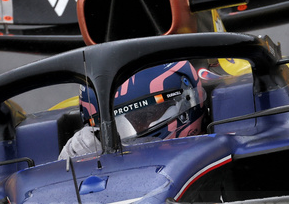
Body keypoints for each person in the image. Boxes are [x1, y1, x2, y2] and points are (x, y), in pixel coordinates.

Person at [58, 60, 218, 159]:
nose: (138, 129)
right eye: (118, 123)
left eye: (149, 115)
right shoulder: (84, 150)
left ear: (189, 98)